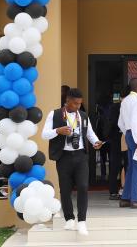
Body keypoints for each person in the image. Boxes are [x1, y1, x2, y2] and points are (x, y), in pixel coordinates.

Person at [42, 88, 102, 234]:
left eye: (80, 104)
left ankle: (82, 221)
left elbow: (89, 133)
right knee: (65, 189)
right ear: (67, 100)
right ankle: (69, 219)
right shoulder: (54, 114)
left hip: (81, 156)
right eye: (75, 103)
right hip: (63, 157)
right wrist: (58, 131)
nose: (78, 106)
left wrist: (96, 141)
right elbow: (44, 134)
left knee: (83, 186)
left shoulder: (83, 115)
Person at [118, 78, 137, 208]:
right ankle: (135, 200)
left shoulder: (125, 100)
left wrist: (128, 134)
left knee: (131, 167)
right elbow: (135, 122)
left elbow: (120, 123)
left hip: (129, 134)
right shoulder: (136, 100)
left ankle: (125, 198)